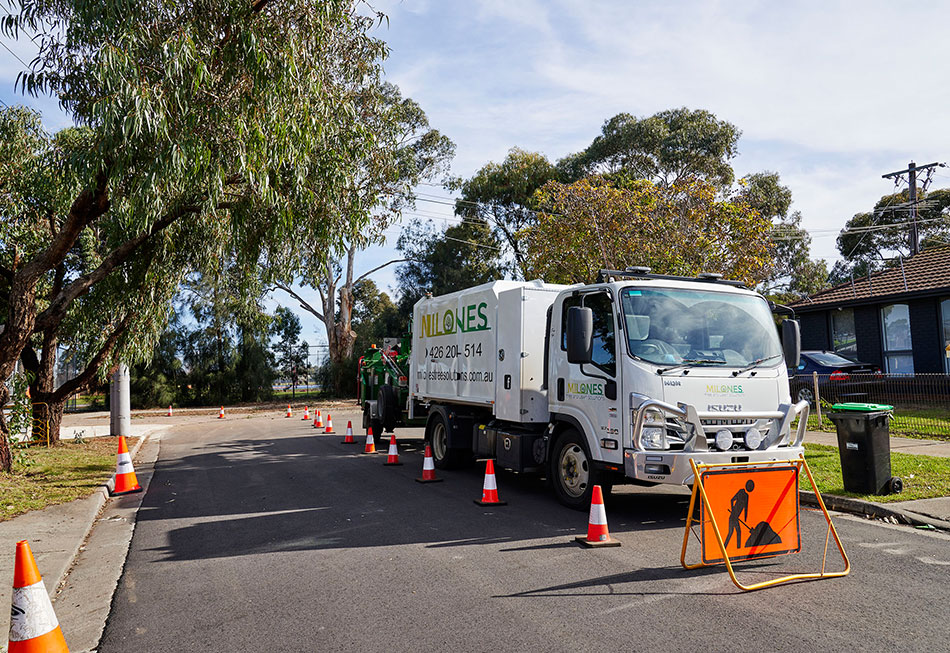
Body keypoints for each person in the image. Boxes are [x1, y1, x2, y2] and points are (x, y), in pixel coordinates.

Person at [724, 480, 754, 548]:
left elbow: (746, 508)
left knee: (735, 533)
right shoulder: (741, 492)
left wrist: (745, 519)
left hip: (736, 517)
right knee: (732, 533)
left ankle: (728, 548)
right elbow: (732, 500)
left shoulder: (746, 496)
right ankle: (728, 548)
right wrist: (732, 510)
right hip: (732, 517)